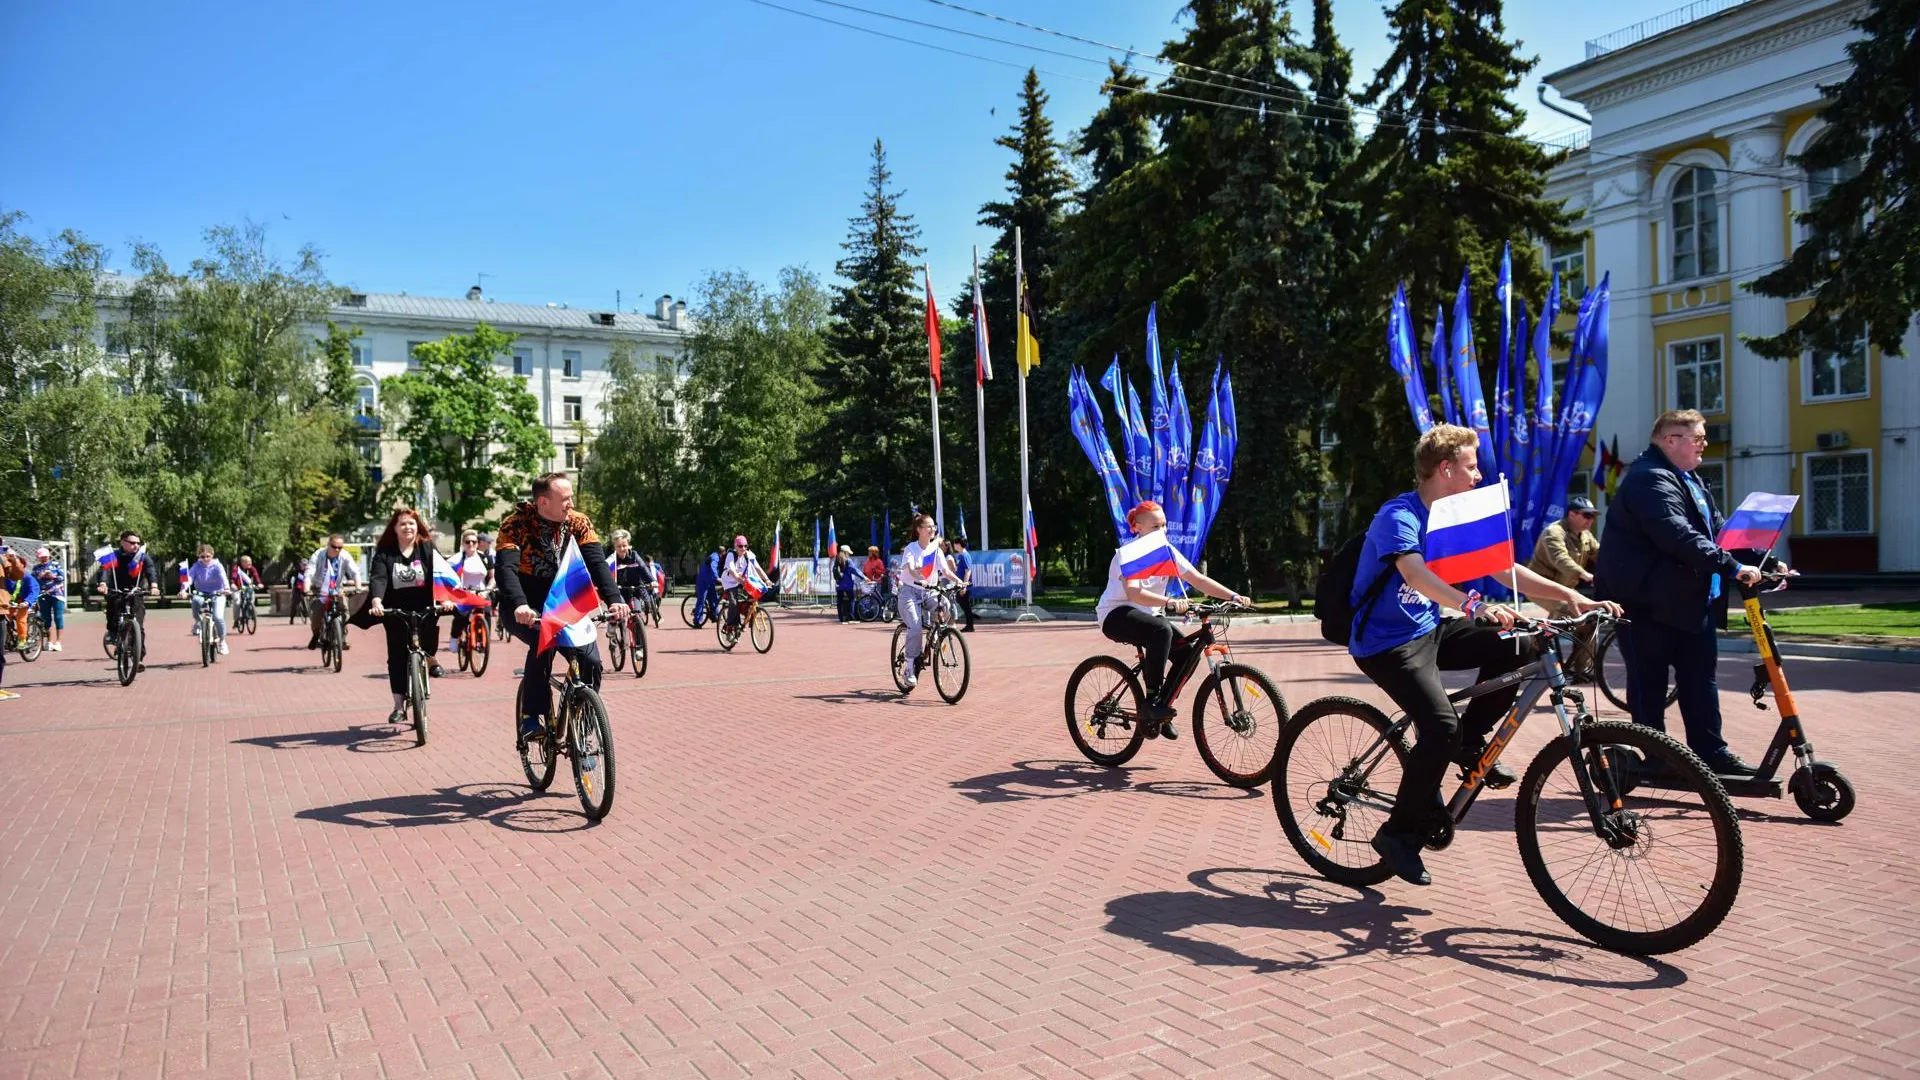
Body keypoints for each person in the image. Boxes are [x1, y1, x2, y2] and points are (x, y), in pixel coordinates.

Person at [1348, 424, 1620, 887]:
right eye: (1471, 467)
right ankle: (1397, 836)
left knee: (1520, 643)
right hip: (1386, 643)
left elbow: (1501, 566)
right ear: (1446, 468)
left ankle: (1470, 742)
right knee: (1438, 725)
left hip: (1431, 628)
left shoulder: (1456, 517)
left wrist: (1574, 599)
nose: (1478, 476)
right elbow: (1413, 574)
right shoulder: (1399, 515)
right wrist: (1473, 605)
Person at [1595, 409, 1779, 778]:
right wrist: (1732, 568)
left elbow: (1721, 534)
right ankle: (1656, 757)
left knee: (1700, 680)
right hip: (1647, 602)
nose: (1704, 445)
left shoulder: (1688, 479)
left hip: (1690, 601)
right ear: (1670, 441)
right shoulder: (1649, 479)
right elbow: (1677, 534)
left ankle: (1711, 753)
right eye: (1697, 438)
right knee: (1649, 683)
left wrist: (1767, 563)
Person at [495, 473, 628, 744]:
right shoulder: (514, 525)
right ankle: (531, 716)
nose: (571, 503)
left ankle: (585, 726)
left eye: (571, 498)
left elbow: (597, 564)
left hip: (566, 604)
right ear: (544, 502)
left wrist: (614, 598)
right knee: (544, 644)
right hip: (526, 606)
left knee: (591, 661)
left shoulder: (579, 522)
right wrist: (520, 605)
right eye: (565, 499)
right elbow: (506, 570)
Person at [1095, 501, 1247, 732]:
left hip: (1149, 615)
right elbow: (1133, 593)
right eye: (1156, 526)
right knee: (1161, 630)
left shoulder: (1166, 553)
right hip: (1116, 615)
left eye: (1164, 525)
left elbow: (1199, 580)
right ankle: (1152, 700)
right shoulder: (1129, 554)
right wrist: (1169, 602)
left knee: (1188, 655)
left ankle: (1161, 710)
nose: (1163, 531)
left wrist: (1233, 595)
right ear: (1138, 528)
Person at [359, 507, 453, 723]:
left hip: (424, 605)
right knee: (397, 656)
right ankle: (398, 706)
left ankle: (429, 658)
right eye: (402, 524)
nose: (407, 527)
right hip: (395, 610)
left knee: (428, 638)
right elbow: (379, 578)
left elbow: (441, 574)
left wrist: (445, 598)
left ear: (417, 526)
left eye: (411, 523)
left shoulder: (427, 548)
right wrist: (376, 601)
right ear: (394, 528)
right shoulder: (385, 552)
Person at [1526, 495, 1602, 677]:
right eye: (1586, 515)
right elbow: (1560, 559)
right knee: (1568, 614)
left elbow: (1601, 554)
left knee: (1590, 621)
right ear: (1572, 515)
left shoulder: (1585, 536)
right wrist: (1584, 574)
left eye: (1592, 516)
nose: (1590, 520)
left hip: (1565, 589)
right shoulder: (1554, 532)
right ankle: (1533, 649)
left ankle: (1581, 670)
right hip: (1540, 587)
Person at [894, 515, 970, 692]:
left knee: (945, 604)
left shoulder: (936, 550)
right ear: (919, 529)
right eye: (928, 527)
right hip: (909, 592)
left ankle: (937, 633)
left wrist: (960, 581)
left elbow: (945, 571)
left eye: (934, 527)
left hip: (929, 591)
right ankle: (910, 666)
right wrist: (920, 577)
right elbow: (911, 569)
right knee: (915, 626)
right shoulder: (911, 549)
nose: (932, 530)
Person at [96, 531, 158, 670]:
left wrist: (154, 585)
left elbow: (150, 570)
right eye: (132, 543)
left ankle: (138, 658)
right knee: (113, 618)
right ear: (123, 542)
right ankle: (113, 634)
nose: (135, 545)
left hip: (135, 592)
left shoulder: (142, 557)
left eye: (137, 543)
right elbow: (105, 570)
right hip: (115, 590)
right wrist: (103, 583)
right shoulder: (113, 556)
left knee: (138, 625)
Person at [306, 534, 364, 650]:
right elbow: (309, 572)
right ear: (328, 545)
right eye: (334, 546)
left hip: (336, 589)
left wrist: (358, 587)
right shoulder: (318, 555)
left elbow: (355, 571)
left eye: (340, 547)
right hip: (319, 588)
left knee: (344, 611)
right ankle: (316, 635)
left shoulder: (345, 556)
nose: (337, 549)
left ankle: (341, 638)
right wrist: (306, 589)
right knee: (317, 612)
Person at [181, 544, 232, 655]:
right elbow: (189, 578)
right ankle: (198, 623)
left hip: (218, 592)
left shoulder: (217, 565)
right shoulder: (196, 566)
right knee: (196, 602)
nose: (205, 559)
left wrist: (227, 588)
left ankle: (223, 642)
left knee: (218, 617)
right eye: (202, 556)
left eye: (208, 556)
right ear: (199, 556)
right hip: (201, 593)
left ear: (212, 555)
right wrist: (183, 589)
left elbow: (223, 577)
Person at [448, 530, 492, 652]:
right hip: (464, 593)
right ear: (463, 544)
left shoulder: (485, 558)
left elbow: (492, 578)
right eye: (468, 542)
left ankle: (483, 640)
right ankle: (454, 637)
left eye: (474, 542)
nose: (471, 544)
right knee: (461, 617)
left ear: (478, 543)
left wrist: (487, 590)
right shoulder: (457, 559)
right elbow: (448, 575)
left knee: (487, 613)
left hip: (481, 592)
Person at [719, 536, 766, 632]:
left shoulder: (748, 555)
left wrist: (767, 579)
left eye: (745, 546)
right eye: (740, 546)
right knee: (733, 602)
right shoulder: (731, 555)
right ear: (735, 546)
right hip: (729, 582)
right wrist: (738, 578)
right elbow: (731, 569)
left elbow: (757, 568)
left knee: (755, 595)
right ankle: (730, 625)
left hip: (742, 579)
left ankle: (748, 615)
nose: (743, 548)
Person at [30, 547, 66, 652]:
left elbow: (62, 577)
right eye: (42, 557)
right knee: (46, 618)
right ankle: (49, 642)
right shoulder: (36, 568)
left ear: (49, 556)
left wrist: (53, 576)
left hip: (57, 594)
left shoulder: (55, 565)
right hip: (43, 595)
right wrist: (40, 577)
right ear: (38, 557)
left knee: (58, 617)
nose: (44, 559)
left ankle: (58, 642)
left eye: (45, 556)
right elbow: (33, 580)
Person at [950, 538, 977, 632]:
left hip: (964, 584)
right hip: (961, 583)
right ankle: (970, 623)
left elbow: (968, 571)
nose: (953, 545)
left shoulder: (964, 555)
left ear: (958, 544)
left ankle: (970, 625)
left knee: (965, 605)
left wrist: (964, 586)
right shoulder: (961, 555)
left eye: (955, 543)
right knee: (963, 603)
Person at [693, 546, 721, 626]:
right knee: (701, 600)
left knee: (714, 597)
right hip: (703, 580)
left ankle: (714, 615)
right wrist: (717, 577)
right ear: (722, 553)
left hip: (709, 580)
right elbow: (713, 567)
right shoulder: (715, 557)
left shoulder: (717, 556)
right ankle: (697, 621)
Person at [833, 549, 859, 622]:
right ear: (846, 552)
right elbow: (854, 570)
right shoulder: (848, 561)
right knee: (851, 599)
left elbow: (834, 571)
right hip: (848, 584)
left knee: (839, 600)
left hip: (839, 584)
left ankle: (841, 618)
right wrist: (863, 577)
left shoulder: (837, 560)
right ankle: (851, 617)